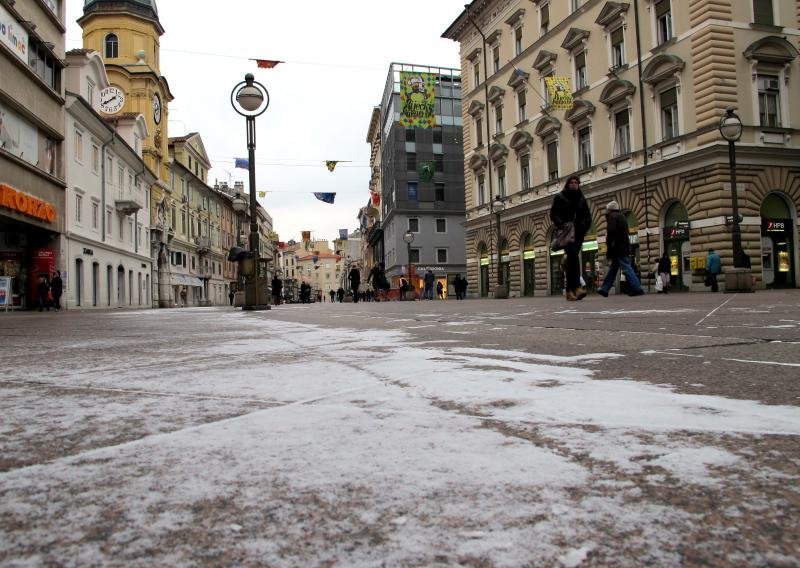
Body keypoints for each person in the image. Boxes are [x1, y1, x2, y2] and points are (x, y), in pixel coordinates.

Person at [550, 176, 592, 301]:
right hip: (567, 232)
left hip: (579, 232)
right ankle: (576, 288)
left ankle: (570, 291)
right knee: (573, 258)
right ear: (567, 184)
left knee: (571, 261)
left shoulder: (581, 198)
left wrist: (584, 226)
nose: (574, 184)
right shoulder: (560, 197)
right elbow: (553, 214)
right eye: (571, 182)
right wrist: (561, 224)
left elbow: (587, 215)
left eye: (576, 182)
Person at [597, 201, 645, 298]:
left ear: (609, 209)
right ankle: (605, 289)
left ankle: (637, 287)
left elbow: (611, 232)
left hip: (618, 248)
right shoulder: (622, 216)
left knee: (626, 267)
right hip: (623, 246)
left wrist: (609, 245)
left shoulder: (612, 217)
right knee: (613, 269)